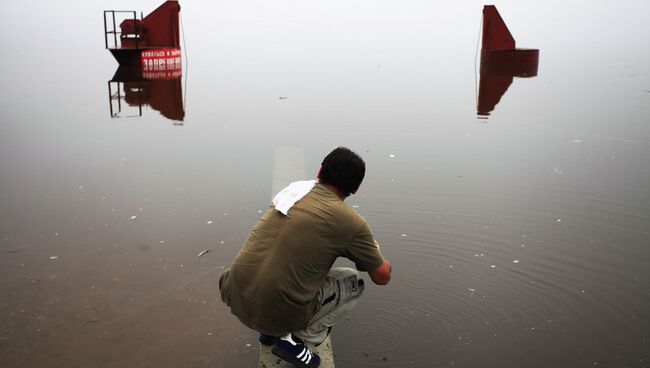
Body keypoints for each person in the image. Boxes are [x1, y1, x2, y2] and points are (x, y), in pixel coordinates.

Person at [219, 147, 392, 368]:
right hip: (272, 308)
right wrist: (373, 251)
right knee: (353, 280)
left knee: (286, 262)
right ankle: (295, 342)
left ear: (320, 171)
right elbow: (382, 276)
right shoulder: (351, 222)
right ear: (356, 188)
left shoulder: (294, 189)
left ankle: (270, 333)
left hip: (233, 292)